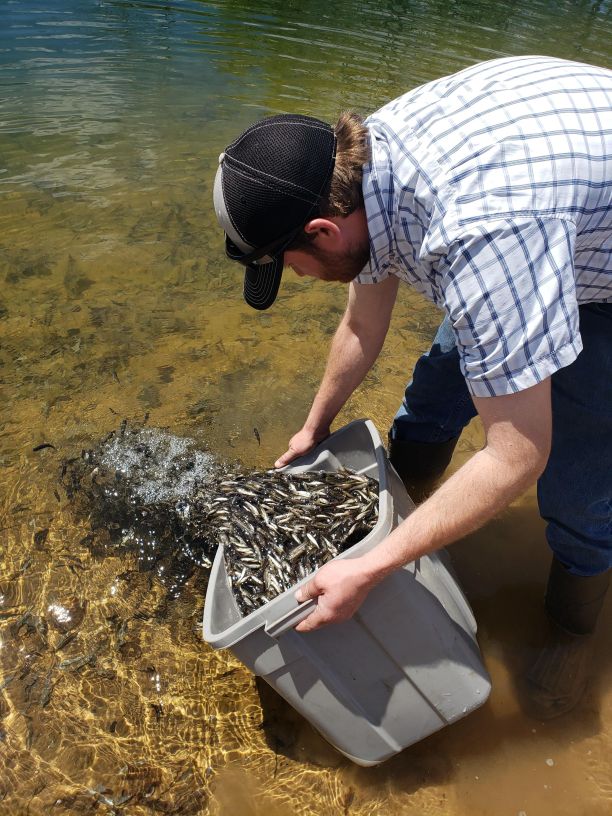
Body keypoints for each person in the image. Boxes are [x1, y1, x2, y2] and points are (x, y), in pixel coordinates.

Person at [213, 55, 612, 719]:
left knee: (577, 474)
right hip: (548, 216)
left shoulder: (479, 233)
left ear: (322, 231)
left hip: (599, 270)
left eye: (294, 267)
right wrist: (314, 427)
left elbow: (518, 454)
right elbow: (363, 325)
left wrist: (370, 569)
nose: (303, 279)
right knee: (432, 401)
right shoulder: (363, 173)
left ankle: (572, 633)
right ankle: (414, 518)